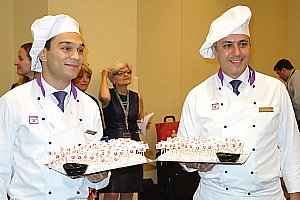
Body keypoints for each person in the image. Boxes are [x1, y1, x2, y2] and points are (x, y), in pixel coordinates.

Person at [177, 5, 300, 200]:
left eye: (243, 44)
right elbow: (184, 149)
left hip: (266, 195)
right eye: (227, 45)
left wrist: (294, 194)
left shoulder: (275, 89)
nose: (237, 52)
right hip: (215, 194)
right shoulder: (197, 95)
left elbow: (291, 147)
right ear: (214, 50)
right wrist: (192, 163)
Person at [0, 14, 110, 199]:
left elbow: (97, 176)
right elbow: (1, 168)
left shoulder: (89, 106)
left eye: (80, 50)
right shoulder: (13, 101)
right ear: (43, 54)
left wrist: (100, 175)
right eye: (66, 48)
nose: (76, 57)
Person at [98, 60, 144, 200]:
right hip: (114, 142)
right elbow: (103, 97)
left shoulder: (136, 96)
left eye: (128, 72)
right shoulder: (109, 95)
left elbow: (140, 118)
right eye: (121, 73)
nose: (126, 75)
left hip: (133, 142)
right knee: (112, 190)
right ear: (113, 78)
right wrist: (104, 77)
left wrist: (142, 124)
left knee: (128, 189)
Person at [273, 59, 300, 131]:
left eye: (279, 73)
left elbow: (297, 102)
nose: (280, 77)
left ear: (283, 70)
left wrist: (293, 120)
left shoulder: (296, 79)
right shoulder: (294, 77)